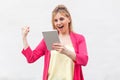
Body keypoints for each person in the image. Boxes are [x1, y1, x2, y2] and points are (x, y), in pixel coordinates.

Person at [21, 4, 88, 80]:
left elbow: (84, 60)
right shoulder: (50, 38)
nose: (58, 23)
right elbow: (31, 58)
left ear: (69, 19)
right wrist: (24, 38)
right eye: (55, 20)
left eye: (61, 19)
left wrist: (66, 51)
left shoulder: (79, 38)